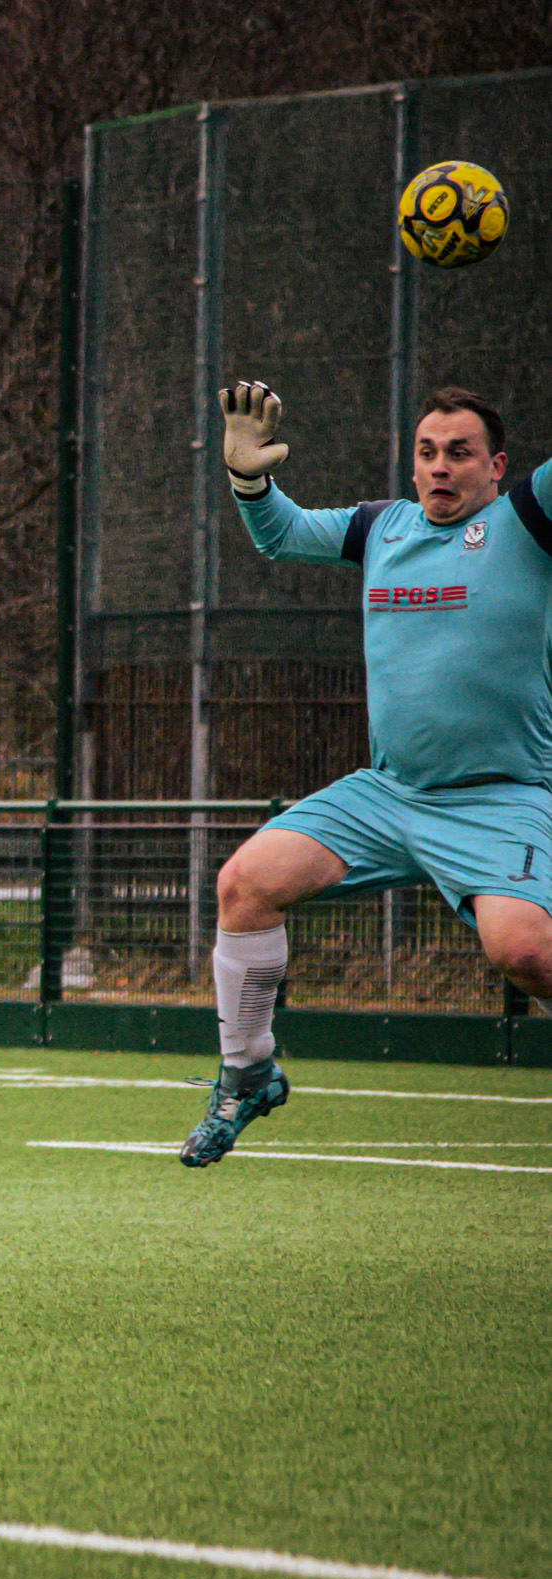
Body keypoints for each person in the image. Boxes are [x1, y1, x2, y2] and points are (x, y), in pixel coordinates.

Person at [185, 383, 552, 1166]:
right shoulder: (381, 527)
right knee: (244, 884)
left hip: (501, 797)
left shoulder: (525, 519)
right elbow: (280, 534)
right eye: (426, 452)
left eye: (459, 452)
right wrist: (249, 478)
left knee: (523, 952)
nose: (440, 467)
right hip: (389, 793)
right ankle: (247, 1074)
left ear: (498, 465)